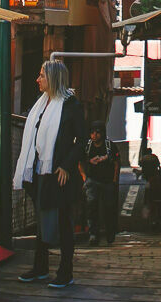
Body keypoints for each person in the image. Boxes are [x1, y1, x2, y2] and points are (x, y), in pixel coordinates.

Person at [13, 59, 85, 289]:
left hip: (58, 171)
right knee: (41, 220)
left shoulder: (71, 104)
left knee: (63, 220)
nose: (38, 79)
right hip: (38, 170)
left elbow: (81, 140)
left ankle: (66, 271)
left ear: (53, 78)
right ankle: (40, 267)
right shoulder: (41, 103)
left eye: (42, 75)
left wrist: (66, 165)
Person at [80, 122, 119, 245]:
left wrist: (114, 180)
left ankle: (110, 233)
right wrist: (85, 178)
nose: (94, 135)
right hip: (92, 181)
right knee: (92, 208)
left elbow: (116, 163)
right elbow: (80, 162)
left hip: (107, 182)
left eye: (97, 132)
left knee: (109, 208)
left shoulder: (110, 146)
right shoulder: (88, 146)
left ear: (102, 133)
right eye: (92, 133)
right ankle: (93, 235)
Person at [137, 145, 161, 231]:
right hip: (154, 176)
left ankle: (153, 220)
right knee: (159, 206)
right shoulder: (154, 157)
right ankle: (157, 220)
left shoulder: (143, 158)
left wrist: (145, 201)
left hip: (147, 175)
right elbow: (159, 165)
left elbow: (140, 164)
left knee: (149, 191)